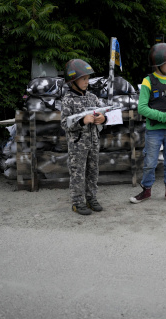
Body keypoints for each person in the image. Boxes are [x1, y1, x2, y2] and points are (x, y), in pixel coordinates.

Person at [130, 43, 166, 205]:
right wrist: (165, 117)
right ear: (158, 64)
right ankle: (146, 190)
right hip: (154, 131)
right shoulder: (148, 81)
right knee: (150, 162)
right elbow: (142, 108)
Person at [61, 59, 107, 215]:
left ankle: (91, 198)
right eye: (84, 79)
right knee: (78, 173)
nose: (87, 82)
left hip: (93, 143)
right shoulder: (68, 100)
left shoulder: (92, 97)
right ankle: (77, 202)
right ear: (73, 80)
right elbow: (64, 124)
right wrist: (82, 121)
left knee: (93, 172)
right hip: (77, 145)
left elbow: (103, 113)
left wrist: (103, 118)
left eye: (88, 78)